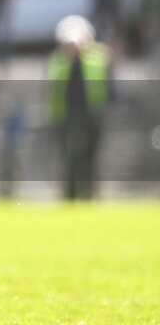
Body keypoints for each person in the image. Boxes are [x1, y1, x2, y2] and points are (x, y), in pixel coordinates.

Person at [47, 15, 111, 201]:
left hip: (92, 115)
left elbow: (106, 86)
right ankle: (70, 195)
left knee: (91, 158)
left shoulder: (98, 58)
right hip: (65, 116)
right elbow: (53, 88)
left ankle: (90, 194)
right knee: (69, 158)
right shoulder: (58, 60)